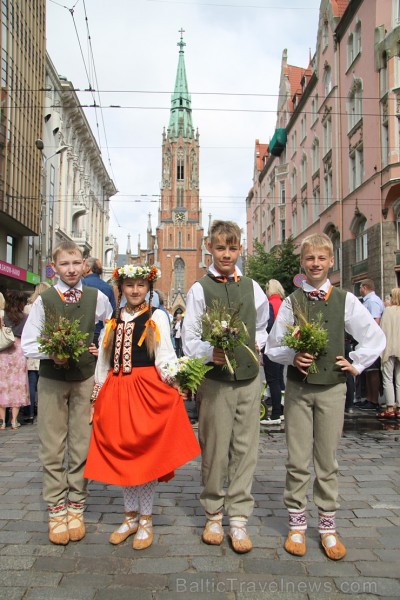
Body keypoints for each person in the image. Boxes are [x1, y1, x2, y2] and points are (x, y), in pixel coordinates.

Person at [266, 233, 386, 561]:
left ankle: (328, 527)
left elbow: (374, 337)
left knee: (327, 461)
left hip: (333, 389)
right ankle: (297, 525)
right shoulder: (292, 301)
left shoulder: (344, 300)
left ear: (331, 262)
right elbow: (273, 347)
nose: (315, 264)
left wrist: (356, 363)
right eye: (310, 259)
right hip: (299, 391)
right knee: (297, 460)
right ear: (302, 264)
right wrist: (293, 357)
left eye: (321, 259)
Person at [84, 264, 200, 550]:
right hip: (117, 390)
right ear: (121, 288)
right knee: (124, 454)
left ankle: (146, 518)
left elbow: (164, 356)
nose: (135, 290)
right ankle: (129, 517)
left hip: (146, 390)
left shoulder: (156, 316)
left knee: (145, 456)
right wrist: (96, 396)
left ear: (148, 288)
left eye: (140, 285)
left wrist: (176, 381)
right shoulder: (113, 319)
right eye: (130, 285)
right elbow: (104, 361)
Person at [182, 220, 269, 553]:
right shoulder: (200, 289)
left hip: (248, 378)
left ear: (240, 249)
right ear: (209, 247)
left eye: (233, 248)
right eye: (220, 248)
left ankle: (239, 518)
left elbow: (262, 323)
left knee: (245, 449)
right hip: (215, 381)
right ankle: (214, 512)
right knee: (216, 447)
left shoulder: (252, 286)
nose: (227, 254)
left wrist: (255, 344)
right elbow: (188, 337)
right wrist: (209, 352)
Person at [21, 241, 113, 546]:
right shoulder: (44, 300)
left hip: (84, 378)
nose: (71, 269)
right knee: (52, 445)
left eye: (76, 263)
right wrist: (52, 353)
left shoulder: (96, 297)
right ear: (54, 266)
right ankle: (56, 509)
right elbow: (28, 343)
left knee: (81, 444)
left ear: (85, 264)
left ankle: (77, 504)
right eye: (65, 264)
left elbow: (109, 327)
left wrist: (98, 346)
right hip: (52, 379)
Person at [0, 290, 30, 430]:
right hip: (19, 351)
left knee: (3, 385)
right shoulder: (25, 317)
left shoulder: (2, 315)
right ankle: (14, 421)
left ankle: (2, 422)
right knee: (17, 384)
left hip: (3, 351)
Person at [22, 282, 51, 424]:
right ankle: (41, 410)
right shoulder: (49, 305)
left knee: (32, 382)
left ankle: (30, 412)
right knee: (43, 382)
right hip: (47, 348)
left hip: (34, 350)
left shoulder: (28, 308)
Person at [260, 279, 285, 425]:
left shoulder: (270, 304)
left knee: (273, 381)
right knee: (280, 379)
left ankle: (275, 414)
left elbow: (267, 327)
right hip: (283, 348)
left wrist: (263, 349)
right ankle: (280, 410)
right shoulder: (283, 303)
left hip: (272, 348)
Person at [358, 279, 385, 412]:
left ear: (364, 287)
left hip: (371, 341)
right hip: (366, 341)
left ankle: (374, 401)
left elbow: (376, 321)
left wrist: (369, 339)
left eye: (360, 288)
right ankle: (369, 398)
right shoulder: (368, 301)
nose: (359, 290)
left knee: (373, 371)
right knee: (368, 370)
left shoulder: (373, 301)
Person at [83, 257, 117, 347]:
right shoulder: (108, 287)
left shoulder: (81, 284)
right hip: (100, 333)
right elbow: (112, 313)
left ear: (88, 268)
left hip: (82, 332)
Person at [378, 287, 400, 419]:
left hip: (389, 347)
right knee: (399, 379)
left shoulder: (388, 311)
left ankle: (390, 407)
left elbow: (383, 329)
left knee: (387, 378)